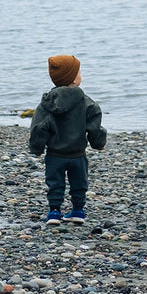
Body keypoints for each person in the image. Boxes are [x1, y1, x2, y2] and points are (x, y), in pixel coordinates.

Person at [29, 55, 106, 225]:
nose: (80, 74)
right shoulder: (86, 103)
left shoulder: (47, 103)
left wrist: (37, 148)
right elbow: (94, 126)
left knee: (54, 183)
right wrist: (98, 143)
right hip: (78, 154)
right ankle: (78, 210)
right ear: (73, 78)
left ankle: (54, 212)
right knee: (79, 183)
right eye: (78, 71)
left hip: (55, 154)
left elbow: (39, 127)